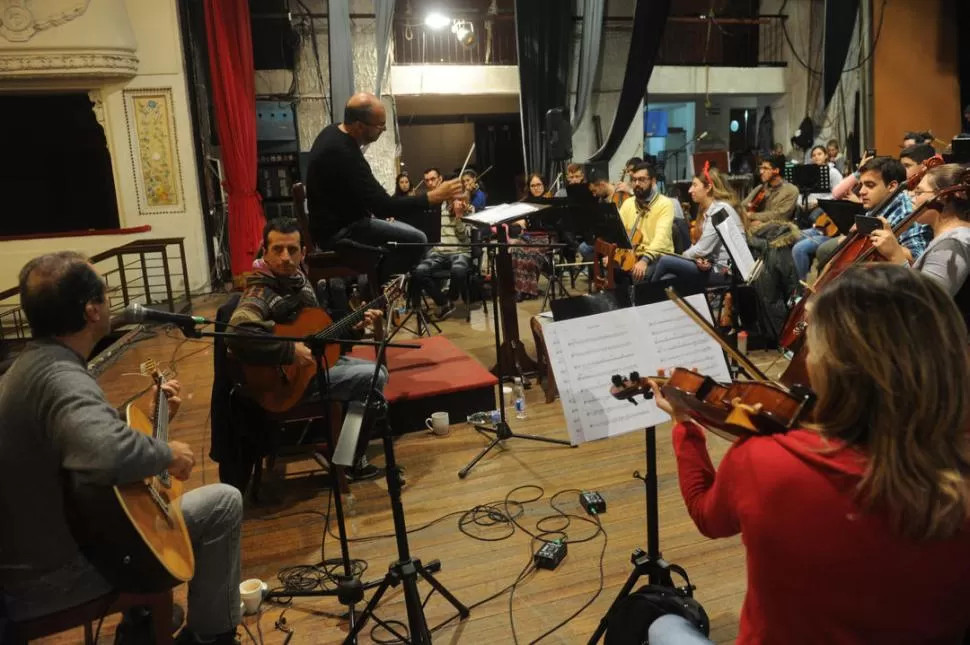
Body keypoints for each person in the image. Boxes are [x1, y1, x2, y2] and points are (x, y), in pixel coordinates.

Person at [647, 264, 970, 645]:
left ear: (831, 366)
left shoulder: (765, 462)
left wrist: (684, 424)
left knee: (661, 627)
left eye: (810, 347)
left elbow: (706, 515)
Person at [0, 252, 242, 645]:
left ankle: (141, 623)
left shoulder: (30, 366)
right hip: (55, 578)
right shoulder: (62, 378)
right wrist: (168, 453)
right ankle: (210, 637)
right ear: (92, 310)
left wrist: (149, 420)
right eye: (107, 293)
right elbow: (103, 451)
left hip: (35, 563)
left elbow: (77, 442)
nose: (113, 300)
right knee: (223, 504)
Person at [227, 218, 388, 481]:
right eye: (277, 249)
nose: (285, 257)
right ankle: (353, 460)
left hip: (311, 369)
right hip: (285, 384)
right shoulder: (259, 292)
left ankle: (347, 454)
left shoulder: (299, 283)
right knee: (375, 378)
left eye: (292, 250)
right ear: (264, 252)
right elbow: (237, 334)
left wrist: (355, 328)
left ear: (303, 252)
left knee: (376, 371)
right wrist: (289, 353)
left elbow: (318, 336)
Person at [305, 92, 463, 277]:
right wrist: (432, 197)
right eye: (380, 125)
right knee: (418, 240)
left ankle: (373, 279)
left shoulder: (332, 131)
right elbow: (384, 207)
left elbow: (363, 193)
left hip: (334, 225)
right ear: (359, 126)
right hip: (341, 234)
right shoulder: (345, 154)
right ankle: (374, 285)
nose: (384, 129)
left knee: (408, 235)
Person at [868, 163, 970, 328]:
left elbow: (925, 303)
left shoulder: (952, 244)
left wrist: (896, 255)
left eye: (919, 193)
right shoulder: (949, 238)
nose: (911, 199)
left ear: (942, 197)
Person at [814, 157, 929, 271]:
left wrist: (879, 240)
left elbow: (918, 258)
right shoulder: (880, 202)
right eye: (862, 185)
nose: (861, 191)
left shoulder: (907, 214)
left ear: (892, 186)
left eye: (870, 185)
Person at [649, 166, 745, 287]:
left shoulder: (720, 211)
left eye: (694, 185)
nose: (690, 190)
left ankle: (645, 299)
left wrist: (681, 257)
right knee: (668, 278)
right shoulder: (710, 211)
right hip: (713, 266)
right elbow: (706, 251)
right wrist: (702, 260)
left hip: (727, 271)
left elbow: (702, 249)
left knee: (665, 260)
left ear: (708, 187)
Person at [412, 183, 473, 320]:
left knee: (458, 271)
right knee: (419, 271)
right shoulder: (438, 209)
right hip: (438, 252)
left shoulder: (469, 209)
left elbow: (464, 237)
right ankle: (444, 302)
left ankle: (451, 298)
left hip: (460, 252)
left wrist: (459, 217)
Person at [790, 146, 845, 280]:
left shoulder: (833, 173)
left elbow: (838, 195)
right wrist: (801, 203)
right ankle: (796, 275)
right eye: (813, 155)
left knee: (800, 245)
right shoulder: (808, 172)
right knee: (791, 237)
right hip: (814, 213)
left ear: (826, 155)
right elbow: (802, 192)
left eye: (819, 154)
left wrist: (819, 203)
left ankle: (802, 284)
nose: (816, 157)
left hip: (824, 212)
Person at [616, 161, 675, 283]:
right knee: (612, 271)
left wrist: (645, 260)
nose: (636, 184)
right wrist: (613, 253)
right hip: (632, 254)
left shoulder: (665, 204)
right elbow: (618, 232)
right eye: (634, 180)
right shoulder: (628, 203)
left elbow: (661, 238)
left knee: (638, 274)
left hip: (657, 256)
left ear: (653, 181)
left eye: (642, 180)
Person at [740, 154, 799, 223]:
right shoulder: (760, 188)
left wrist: (752, 216)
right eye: (761, 168)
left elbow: (780, 216)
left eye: (765, 168)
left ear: (776, 170)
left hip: (777, 229)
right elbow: (742, 206)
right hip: (757, 227)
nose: (761, 172)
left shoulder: (791, 190)